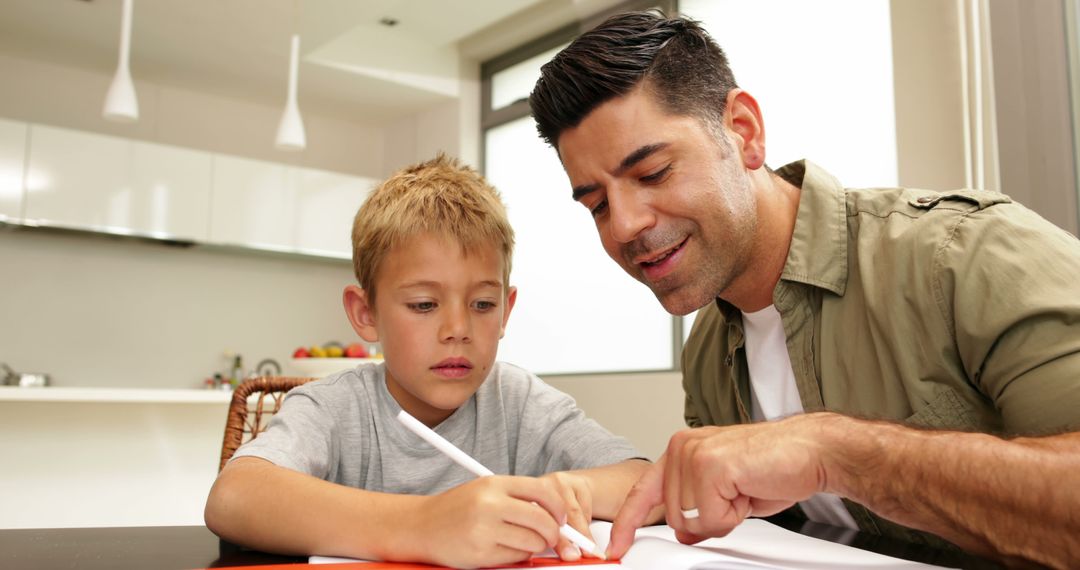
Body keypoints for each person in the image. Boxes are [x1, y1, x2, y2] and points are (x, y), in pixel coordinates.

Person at [528, 10, 1080, 568]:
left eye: (653, 173)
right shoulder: (708, 351)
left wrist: (835, 453)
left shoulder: (966, 255)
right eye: (596, 204)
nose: (623, 226)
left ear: (743, 132)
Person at [204, 154, 654, 568]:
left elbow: (645, 480)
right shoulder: (333, 409)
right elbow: (234, 496)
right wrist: (425, 524)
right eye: (423, 305)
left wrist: (570, 491)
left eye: (482, 304)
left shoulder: (521, 403)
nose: (457, 329)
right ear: (366, 314)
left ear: (507, 311)